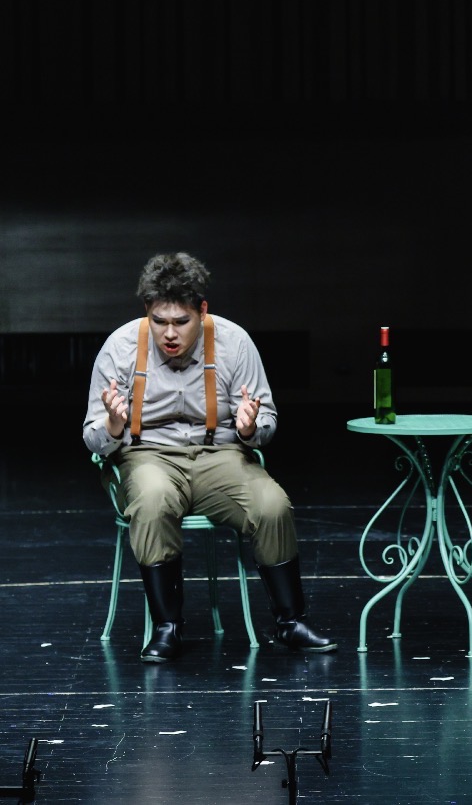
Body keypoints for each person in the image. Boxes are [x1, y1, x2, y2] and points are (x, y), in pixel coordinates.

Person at [82, 252, 337, 663]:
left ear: (202, 311)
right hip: (148, 456)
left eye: (181, 322)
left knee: (271, 504)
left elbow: (267, 422)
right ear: (147, 310)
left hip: (221, 455)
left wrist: (250, 428)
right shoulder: (121, 347)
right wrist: (114, 423)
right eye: (159, 321)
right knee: (152, 499)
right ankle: (167, 627)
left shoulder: (234, 342)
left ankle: (291, 621)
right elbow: (93, 440)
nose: (169, 333)